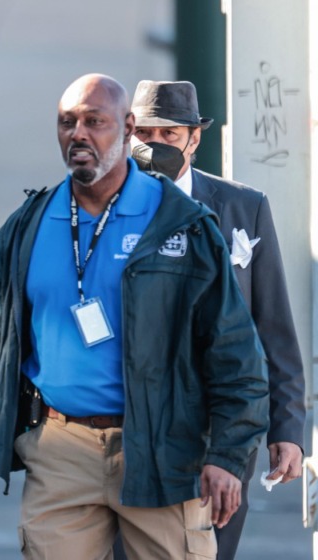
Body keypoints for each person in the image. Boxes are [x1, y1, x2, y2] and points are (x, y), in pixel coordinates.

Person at [0, 74, 269, 558]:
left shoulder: (180, 224)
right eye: (67, 123)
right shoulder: (28, 225)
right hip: (61, 450)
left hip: (164, 448)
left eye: (94, 121)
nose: (78, 133)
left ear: (127, 127)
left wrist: (228, 454)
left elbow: (233, 350)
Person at [128, 79, 305, 560]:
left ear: (194, 137)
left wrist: (287, 429)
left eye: (169, 134)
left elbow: (273, 327)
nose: (156, 145)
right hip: (131, 426)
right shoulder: (110, 207)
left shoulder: (243, 207)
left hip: (222, 427)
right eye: (145, 134)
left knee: (208, 551)